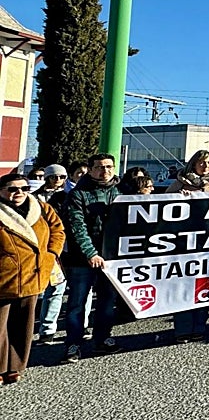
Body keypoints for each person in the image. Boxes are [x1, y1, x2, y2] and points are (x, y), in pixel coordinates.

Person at [0, 173, 65, 383]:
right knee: (0, 326)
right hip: (4, 277)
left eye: (24, 188)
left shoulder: (42, 208)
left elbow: (58, 230)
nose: (19, 193)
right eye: (12, 189)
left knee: (24, 325)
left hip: (33, 274)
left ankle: (15, 367)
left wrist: (51, 254)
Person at [163, 150, 209, 342]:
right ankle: (182, 329)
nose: (206, 166)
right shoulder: (179, 183)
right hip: (183, 243)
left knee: (204, 284)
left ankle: (200, 326)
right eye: (202, 163)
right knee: (182, 284)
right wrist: (177, 198)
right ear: (193, 164)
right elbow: (162, 209)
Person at [61, 153, 122, 362]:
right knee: (77, 302)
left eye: (109, 167)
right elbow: (77, 227)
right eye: (99, 167)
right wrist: (91, 253)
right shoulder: (78, 194)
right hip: (82, 260)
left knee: (107, 301)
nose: (105, 171)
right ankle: (73, 344)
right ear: (91, 169)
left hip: (112, 259)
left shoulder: (122, 191)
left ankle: (103, 339)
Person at [32, 164, 69, 342]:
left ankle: (47, 330)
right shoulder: (33, 198)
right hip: (39, 247)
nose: (58, 180)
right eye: (54, 177)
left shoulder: (70, 196)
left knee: (56, 288)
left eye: (62, 177)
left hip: (62, 248)